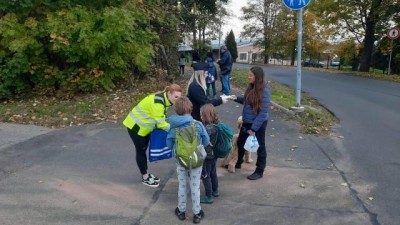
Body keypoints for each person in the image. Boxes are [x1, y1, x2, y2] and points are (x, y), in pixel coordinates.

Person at [123, 84, 183, 187]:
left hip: (144, 128)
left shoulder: (164, 99)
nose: (177, 100)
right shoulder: (158, 103)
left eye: (179, 97)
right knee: (140, 151)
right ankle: (145, 177)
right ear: (169, 93)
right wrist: (177, 131)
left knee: (143, 149)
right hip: (136, 128)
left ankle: (145, 173)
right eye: (175, 97)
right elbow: (161, 124)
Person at [166, 96, 209, 224]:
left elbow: (168, 145)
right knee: (195, 186)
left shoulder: (173, 127)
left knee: (182, 185)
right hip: (196, 160)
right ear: (190, 109)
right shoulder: (198, 125)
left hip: (181, 161)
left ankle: (181, 211)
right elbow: (206, 141)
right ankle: (197, 213)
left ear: (176, 110)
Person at [230, 66, 270, 180]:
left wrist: (253, 129)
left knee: (260, 147)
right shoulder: (251, 87)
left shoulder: (264, 91)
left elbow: (262, 113)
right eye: (248, 75)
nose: (248, 77)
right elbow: (247, 101)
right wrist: (235, 98)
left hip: (258, 124)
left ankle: (259, 170)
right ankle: (238, 162)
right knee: (241, 142)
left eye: (250, 75)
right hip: (247, 121)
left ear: (257, 77)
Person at [199, 104, 220, 204]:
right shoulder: (217, 125)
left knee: (205, 175)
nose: (200, 117)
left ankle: (208, 196)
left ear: (206, 116)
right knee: (213, 172)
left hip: (207, 155)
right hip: (214, 154)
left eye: (202, 115)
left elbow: (203, 141)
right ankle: (215, 191)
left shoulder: (207, 129)